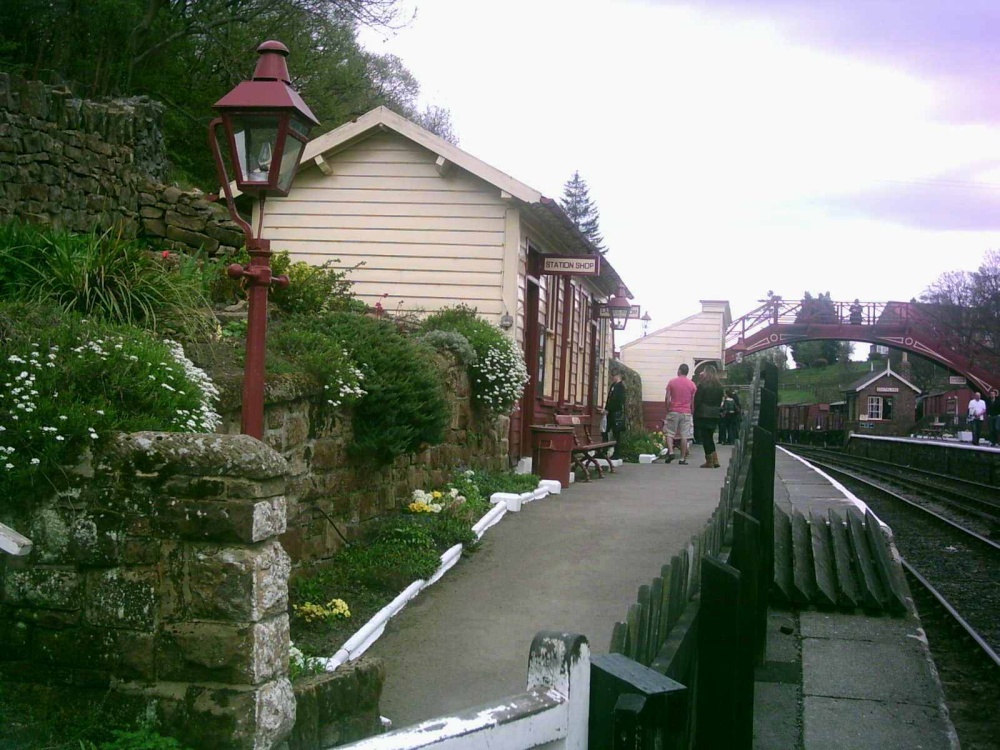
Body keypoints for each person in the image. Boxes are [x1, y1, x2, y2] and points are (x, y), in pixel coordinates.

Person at [663, 363, 697, 465]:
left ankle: (671, 452)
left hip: (673, 410)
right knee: (684, 435)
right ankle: (682, 458)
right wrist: (692, 411)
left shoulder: (672, 382)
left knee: (669, 433)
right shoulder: (692, 384)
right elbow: (693, 401)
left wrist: (667, 409)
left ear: (679, 371)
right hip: (686, 412)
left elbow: (667, 398)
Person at [693, 366, 725, 468]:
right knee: (710, 436)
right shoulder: (720, 387)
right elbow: (719, 402)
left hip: (703, 413)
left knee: (705, 437)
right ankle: (715, 459)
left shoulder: (702, 385)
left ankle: (709, 460)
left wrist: (695, 411)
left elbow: (697, 400)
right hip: (714, 414)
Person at [603, 371, 626, 447]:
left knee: (616, 432)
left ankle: (617, 452)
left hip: (616, 412)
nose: (612, 378)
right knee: (604, 430)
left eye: (613, 376)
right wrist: (606, 408)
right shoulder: (613, 385)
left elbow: (618, 401)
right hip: (609, 412)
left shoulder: (621, 387)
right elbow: (609, 399)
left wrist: (609, 409)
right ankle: (604, 449)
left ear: (618, 375)